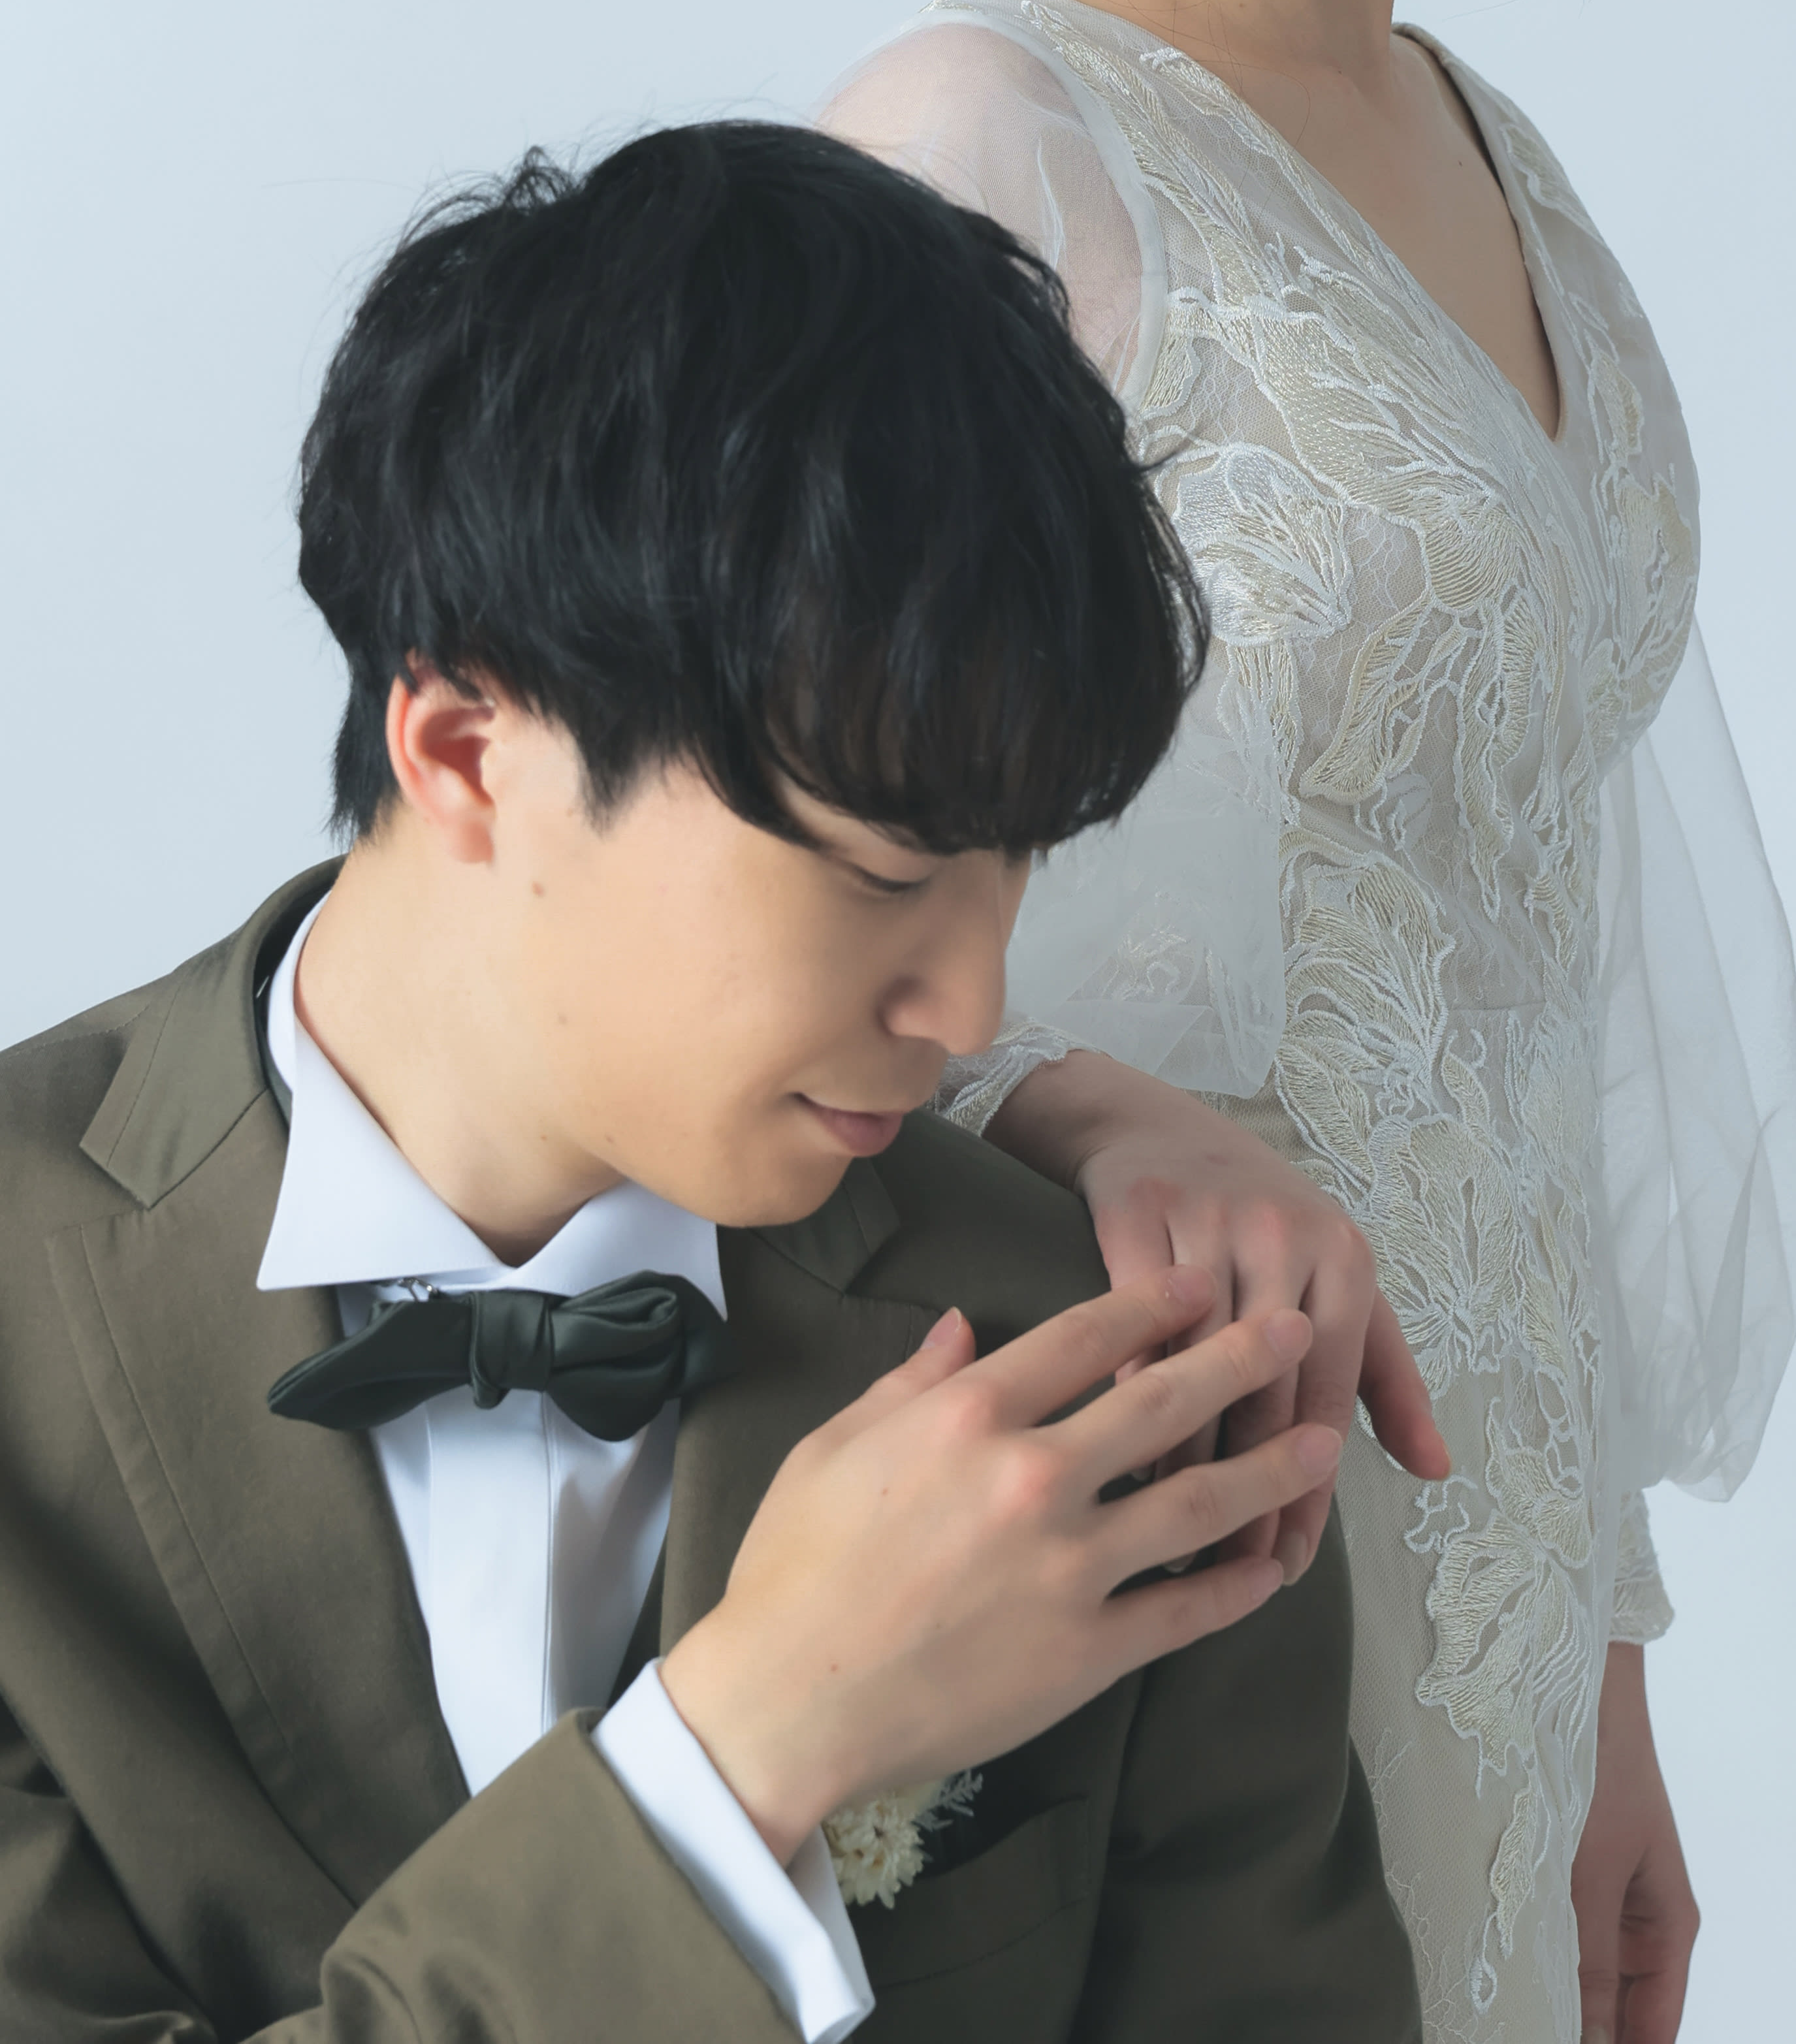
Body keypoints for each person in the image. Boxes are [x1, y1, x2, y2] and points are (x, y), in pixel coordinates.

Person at [820, 0, 1796, 2044]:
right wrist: (1089, 1120)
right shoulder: (975, 157)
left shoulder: (1501, 163)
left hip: (1490, 1532)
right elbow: (766, 919)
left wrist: (1601, 1668)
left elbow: (1535, 956)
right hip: (1161, 1492)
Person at [0, 123, 1423, 2041]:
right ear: (469, 751)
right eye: (886, 874)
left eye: (1016, 864)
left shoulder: (1113, 1374)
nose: (972, 1001)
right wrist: (745, 1756)